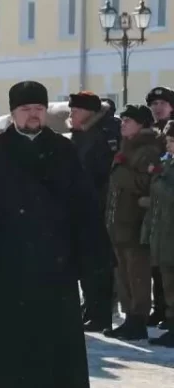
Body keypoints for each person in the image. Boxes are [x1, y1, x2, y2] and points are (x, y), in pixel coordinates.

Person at [0, 81, 108, 388]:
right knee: (14, 330)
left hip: (56, 256)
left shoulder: (63, 149)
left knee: (61, 331)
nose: (33, 115)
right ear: (13, 113)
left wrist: (91, 250)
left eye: (38, 109)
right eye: (26, 110)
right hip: (11, 258)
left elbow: (83, 203)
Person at [103, 105, 164, 341]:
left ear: (141, 124)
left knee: (137, 274)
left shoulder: (147, 149)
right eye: (123, 120)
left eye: (129, 120)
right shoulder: (127, 148)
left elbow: (147, 183)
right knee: (125, 273)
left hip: (135, 223)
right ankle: (129, 318)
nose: (123, 124)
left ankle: (137, 319)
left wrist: (120, 174)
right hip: (121, 222)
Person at [67, 91, 118, 332]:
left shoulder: (104, 134)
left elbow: (105, 174)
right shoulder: (80, 134)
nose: (71, 115)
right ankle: (89, 307)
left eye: (75, 111)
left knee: (99, 264)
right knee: (85, 263)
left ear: (88, 112)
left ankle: (100, 313)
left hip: (98, 208)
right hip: (81, 208)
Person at [142, 125, 174, 346]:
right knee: (167, 283)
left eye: (172, 141)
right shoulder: (168, 163)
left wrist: (159, 178)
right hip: (163, 232)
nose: (168, 145)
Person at [146, 87, 172, 326]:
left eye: (162, 103)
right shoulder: (151, 132)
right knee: (156, 261)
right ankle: (160, 307)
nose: (157, 107)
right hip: (152, 204)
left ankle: (167, 310)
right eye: (154, 103)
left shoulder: (170, 132)